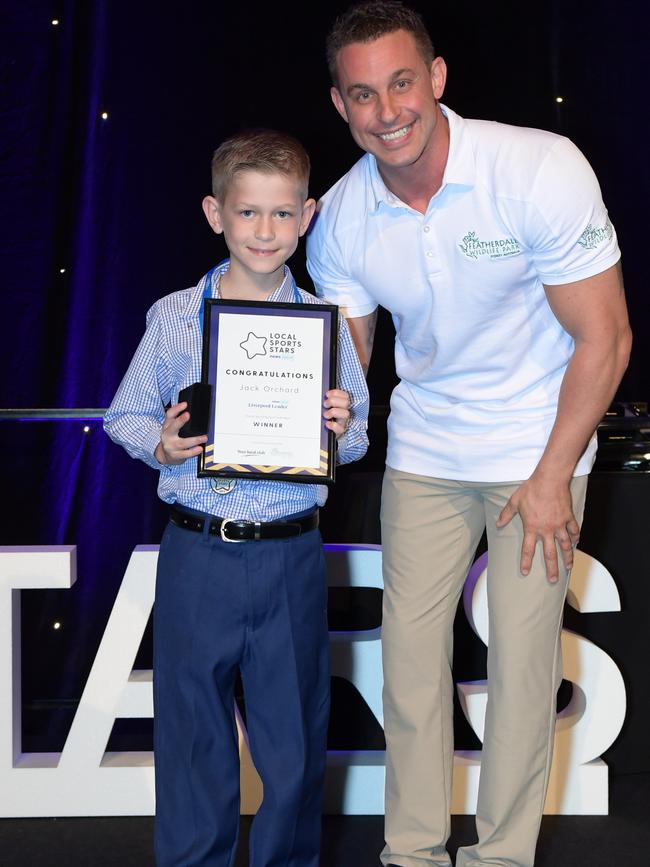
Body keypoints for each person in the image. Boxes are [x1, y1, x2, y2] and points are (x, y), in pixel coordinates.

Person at [306, 3, 632, 866]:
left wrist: (556, 472)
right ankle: (411, 852)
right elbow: (349, 358)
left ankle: (499, 858)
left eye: (403, 83)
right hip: (427, 452)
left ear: (438, 77)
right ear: (342, 105)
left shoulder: (535, 168)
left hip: (540, 445)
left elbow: (608, 336)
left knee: (523, 670)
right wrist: (315, 414)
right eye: (364, 94)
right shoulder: (340, 217)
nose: (388, 110)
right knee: (410, 667)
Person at [104, 129, 369, 867]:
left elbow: (356, 441)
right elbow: (123, 413)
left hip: (290, 552)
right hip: (198, 548)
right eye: (248, 213)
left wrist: (341, 428)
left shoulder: (326, 327)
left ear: (308, 216)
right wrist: (158, 443)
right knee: (193, 733)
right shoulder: (173, 318)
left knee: (292, 739)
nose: (265, 230)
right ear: (215, 213)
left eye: (282, 214)